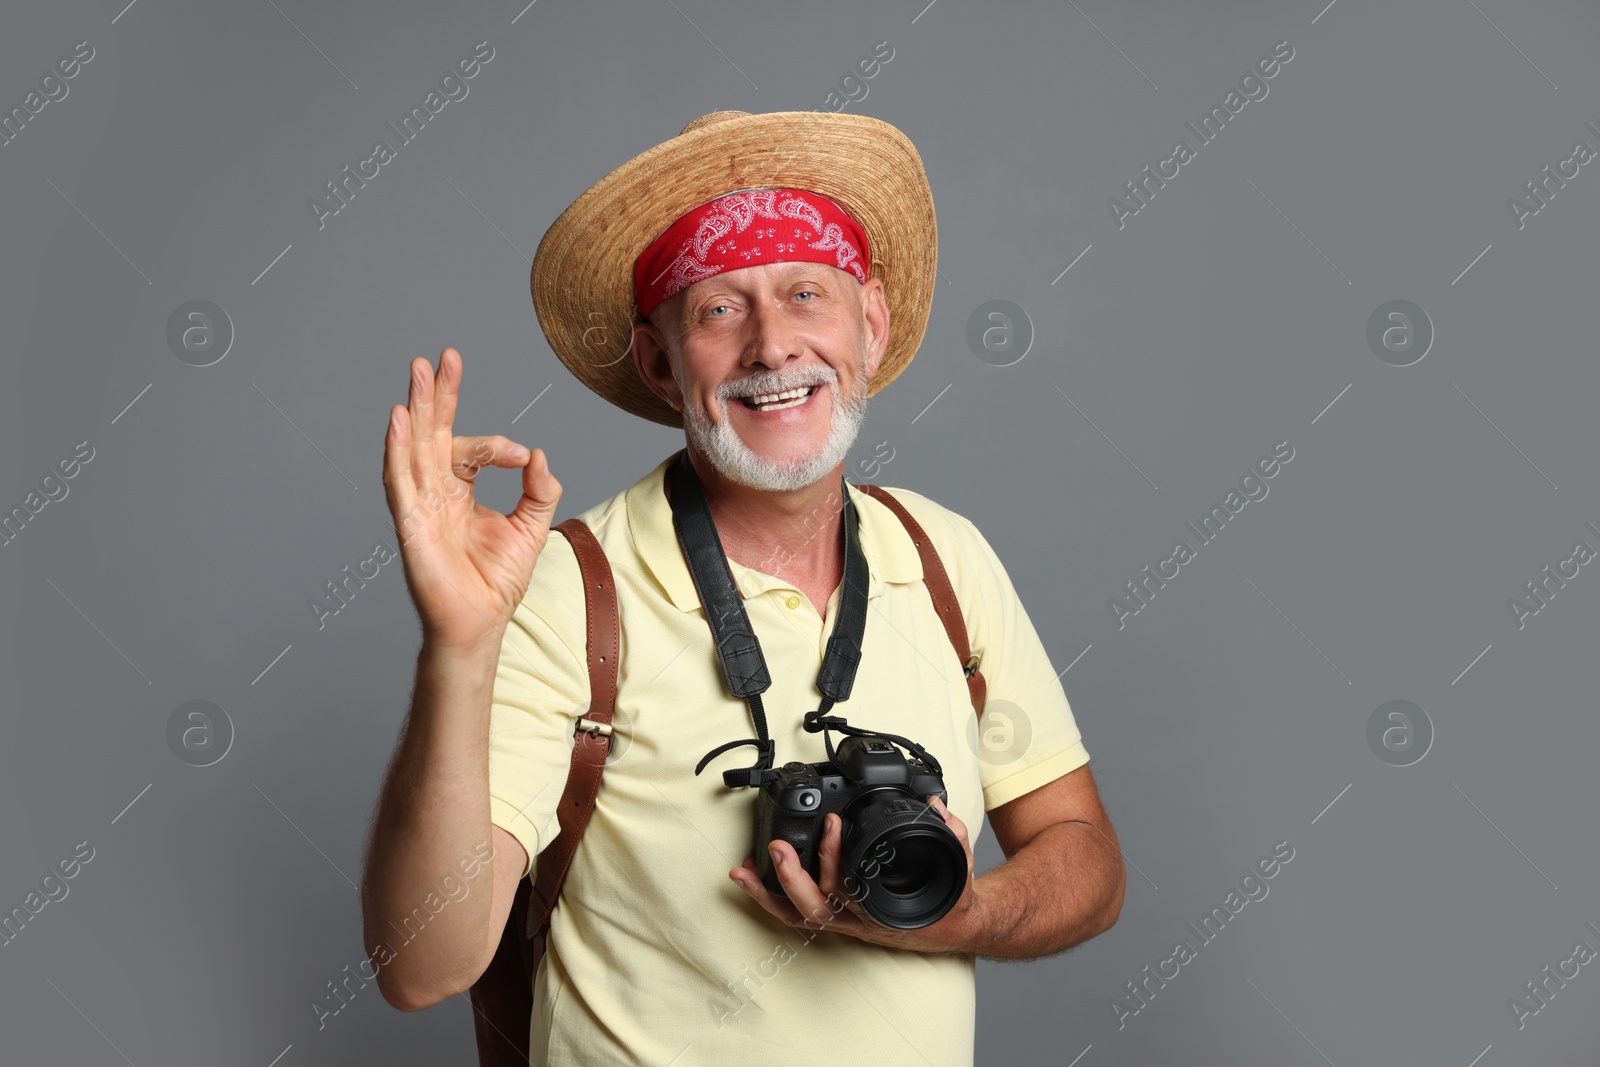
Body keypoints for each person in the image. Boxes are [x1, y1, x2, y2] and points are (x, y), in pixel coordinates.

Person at [360, 109, 1125, 1066]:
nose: (773, 347)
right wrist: (460, 643)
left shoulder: (943, 557)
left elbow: (1084, 852)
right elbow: (422, 965)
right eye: (720, 309)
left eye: (807, 293)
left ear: (871, 326)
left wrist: (959, 914)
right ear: (659, 361)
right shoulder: (568, 585)